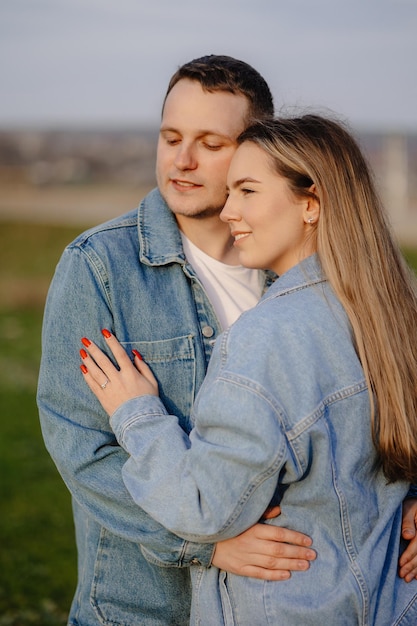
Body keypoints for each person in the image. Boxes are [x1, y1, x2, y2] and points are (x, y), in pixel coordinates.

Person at [79, 114, 417, 625]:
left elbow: (201, 506)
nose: (228, 209)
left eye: (247, 191)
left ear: (311, 203)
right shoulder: (392, 309)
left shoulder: (268, 336)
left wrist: (137, 414)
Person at [37, 55, 320, 626]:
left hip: (281, 606)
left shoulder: (300, 274)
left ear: (252, 150)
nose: (182, 161)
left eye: (211, 144)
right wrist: (205, 546)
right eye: (171, 137)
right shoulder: (99, 267)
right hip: (141, 608)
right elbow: (81, 449)